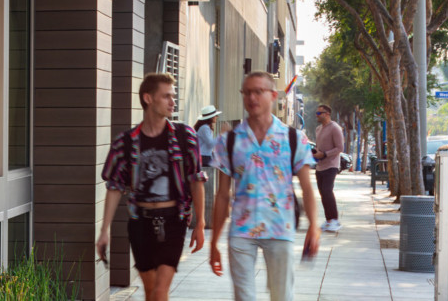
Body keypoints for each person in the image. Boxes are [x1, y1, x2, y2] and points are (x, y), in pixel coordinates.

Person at [210, 72, 320, 301]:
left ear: (272, 95)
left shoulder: (293, 138)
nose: (252, 97)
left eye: (258, 91)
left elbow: (307, 189)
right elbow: (222, 195)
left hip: (280, 228)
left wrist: (314, 226)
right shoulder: (228, 141)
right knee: (244, 297)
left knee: (282, 296)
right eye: (247, 92)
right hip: (241, 231)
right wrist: (214, 242)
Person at [97, 74, 206, 301]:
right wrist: (104, 229)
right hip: (140, 223)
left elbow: (196, 180)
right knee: (150, 291)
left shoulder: (186, 136)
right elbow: (114, 187)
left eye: (173, 96)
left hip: (174, 221)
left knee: (160, 291)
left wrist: (200, 222)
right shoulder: (125, 142)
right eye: (166, 96)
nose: (172, 102)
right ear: (148, 98)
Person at [312, 104, 345, 232]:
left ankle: (335, 220)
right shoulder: (318, 129)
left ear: (327, 114)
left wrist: (325, 154)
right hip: (320, 166)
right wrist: (315, 152)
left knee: (327, 191)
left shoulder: (335, 128)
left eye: (319, 113)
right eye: (316, 112)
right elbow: (320, 146)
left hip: (331, 165)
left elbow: (340, 148)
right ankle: (329, 220)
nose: (317, 115)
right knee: (322, 193)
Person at [194, 106, 221, 220]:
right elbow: (210, 143)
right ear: (210, 117)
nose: (216, 117)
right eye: (215, 115)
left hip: (207, 156)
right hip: (203, 157)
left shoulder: (206, 128)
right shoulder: (204, 128)